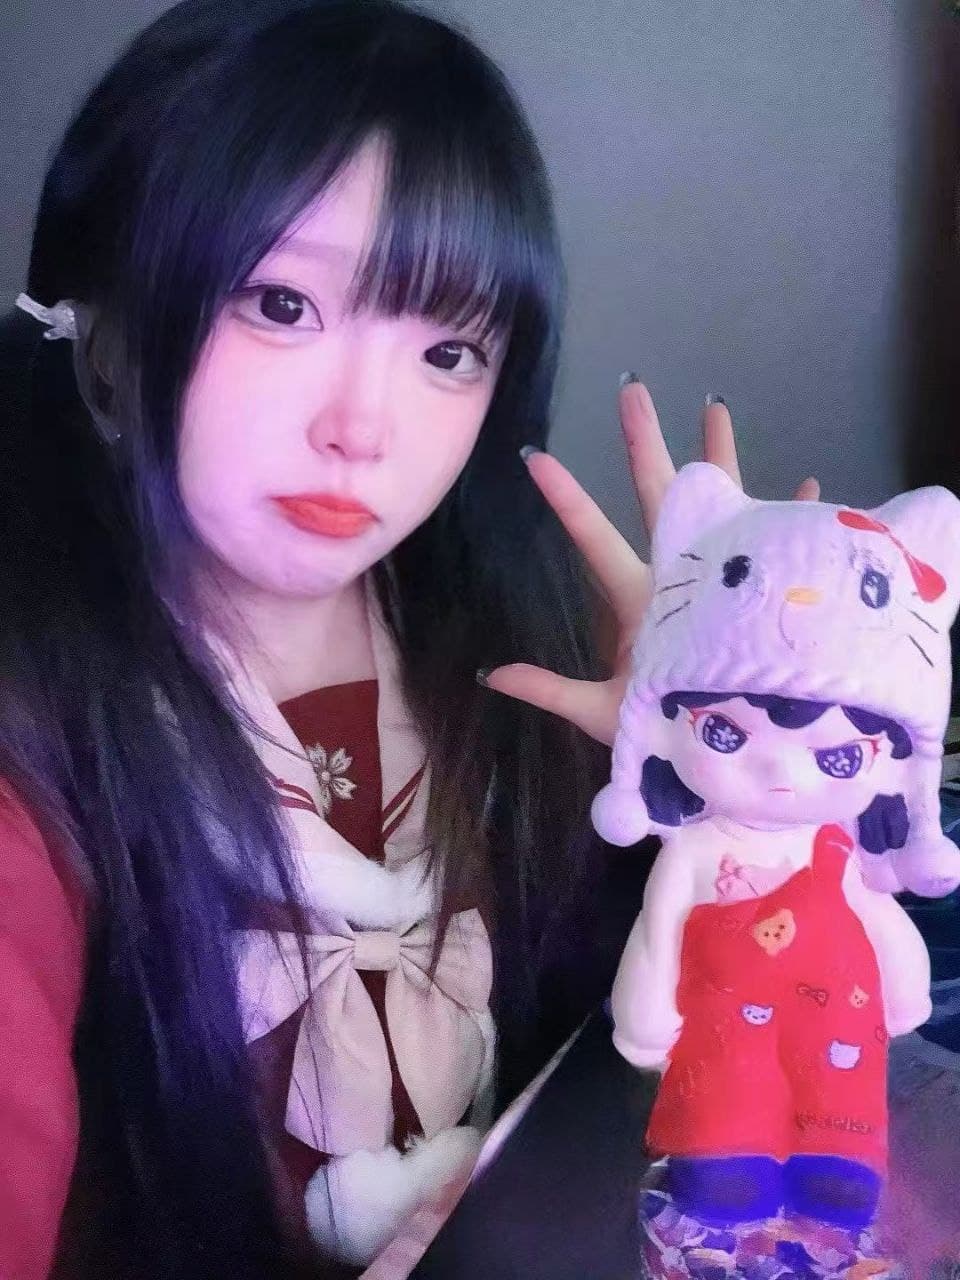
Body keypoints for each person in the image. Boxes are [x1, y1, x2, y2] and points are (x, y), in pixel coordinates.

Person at [0, 1, 818, 1277]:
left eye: (448, 349)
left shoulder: (521, 644)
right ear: (97, 323)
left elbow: (709, 1058)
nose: (364, 427)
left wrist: (722, 784)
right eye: (281, 303)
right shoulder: (32, 746)